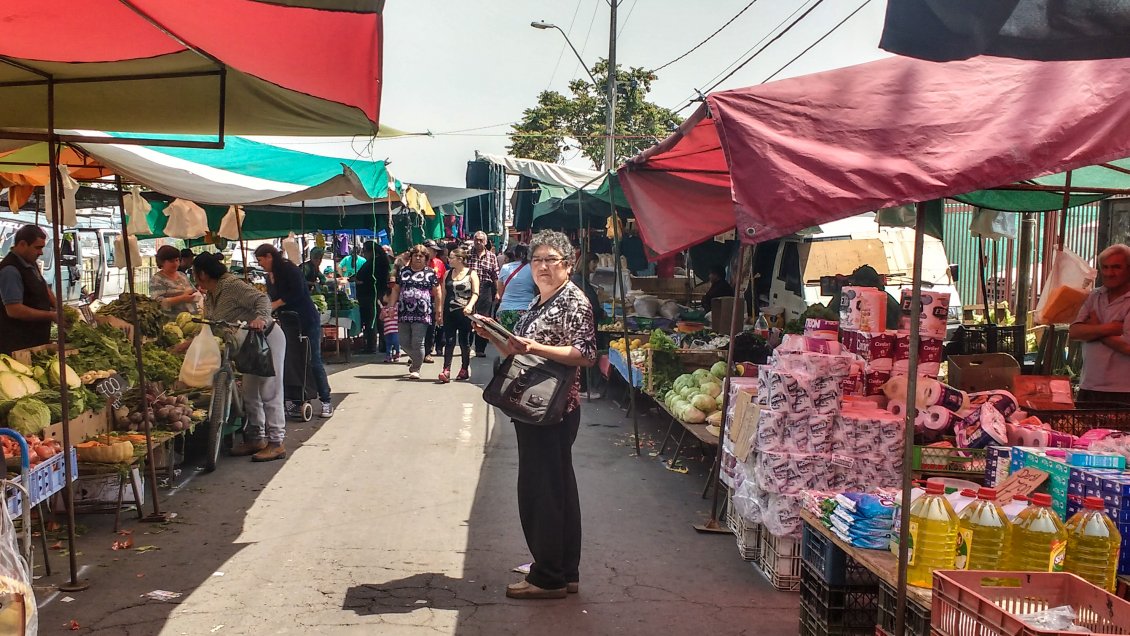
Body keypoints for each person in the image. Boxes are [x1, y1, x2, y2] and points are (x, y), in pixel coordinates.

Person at [473, 230, 596, 600]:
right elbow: (521, 350)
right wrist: (494, 336)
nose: (542, 266)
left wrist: (534, 345)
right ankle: (562, 569)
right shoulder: (543, 298)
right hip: (535, 407)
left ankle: (548, 577)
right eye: (536, 260)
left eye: (550, 260)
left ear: (568, 263)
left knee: (541, 491)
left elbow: (585, 353)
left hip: (552, 410)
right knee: (556, 490)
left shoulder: (574, 300)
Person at [193, 253, 288, 461]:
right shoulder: (210, 294)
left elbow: (261, 299)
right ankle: (257, 439)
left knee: (269, 391)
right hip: (246, 345)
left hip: (266, 339)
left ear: (202, 274)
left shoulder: (231, 285)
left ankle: (276, 443)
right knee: (250, 394)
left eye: (194, 273)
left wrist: (261, 319)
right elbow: (211, 323)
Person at [254, 245, 335, 419]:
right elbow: (271, 299)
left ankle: (326, 400)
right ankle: (297, 399)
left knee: (313, 360)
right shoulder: (269, 277)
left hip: (306, 318)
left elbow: (298, 292)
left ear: (269, 256)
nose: (260, 265)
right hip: (288, 321)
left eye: (261, 261)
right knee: (292, 361)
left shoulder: (289, 269)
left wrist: (277, 303)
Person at [1070, 244, 1130, 402]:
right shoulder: (1094, 296)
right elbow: (1075, 332)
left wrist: (1094, 328)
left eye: (1116, 267)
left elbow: (1127, 346)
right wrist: (1110, 328)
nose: (1110, 273)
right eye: (1105, 267)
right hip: (1089, 387)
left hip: (1124, 390)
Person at [0, 225, 56, 355]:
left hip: (35, 341)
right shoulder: (10, 270)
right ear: (22, 244)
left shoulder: (30, 262)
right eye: (38, 247)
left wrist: (58, 306)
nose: (41, 252)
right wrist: (51, 315)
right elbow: (14, 310)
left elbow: (43, 287)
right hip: (18, 345)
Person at [388, 245, 443, 379]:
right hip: (404, 312)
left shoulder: (430, 273)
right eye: (415, 255)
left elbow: (438, 292)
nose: (418, 258)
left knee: (418, 342)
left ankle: (416, 368)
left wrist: (439, 310)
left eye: (421, 256)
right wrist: (391, 307)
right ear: (411, 257)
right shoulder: (403, 272)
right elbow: (396, 289)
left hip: (422, 313)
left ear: (425, 259)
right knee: (404, 341)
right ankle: (417, 358)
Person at [439, 247, 479, 383]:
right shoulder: (447, 274)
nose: (448, 260)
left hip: (465, 313)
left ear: (460, 259)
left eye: (451, 257)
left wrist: (469, 306)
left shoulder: (471, 274)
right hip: (449, 312)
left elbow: (475, 293)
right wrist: (439, 311)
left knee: (464, 342)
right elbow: (444, 293)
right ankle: (446, 370)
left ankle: (464, 368)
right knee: (449, 341)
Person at [352, 241, 389, 355]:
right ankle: (383, 344)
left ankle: (371, 346)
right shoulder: (381, 261)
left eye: (365, 251)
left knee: (371, 321)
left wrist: (357, 281)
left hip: (370, 295)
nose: (363, 253)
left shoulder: (373, 263)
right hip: (377, 293)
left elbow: (366, 279)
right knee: (379, 320)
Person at [466, 231, 500, 356]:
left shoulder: (491, 256)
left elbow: (495, 275)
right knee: (468, 316)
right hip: (469, 289)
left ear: (485, 242)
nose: (478, 242)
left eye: (481, 240)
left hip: (486, 289)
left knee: (483, 319)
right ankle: (468, 346)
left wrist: (497, 292)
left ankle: (480, 348)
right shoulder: (468, 254)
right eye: (476, 239)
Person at [149, 245, 200, 316]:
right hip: (172, 321)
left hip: (192, 317)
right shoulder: (157, 279)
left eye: (177, 260)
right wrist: (181, 298)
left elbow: (193, 291)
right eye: (171, 261)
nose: (175, 263)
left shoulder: (182, 275)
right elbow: (157, 303)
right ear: (161, 262)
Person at [496, 244, 536, 333]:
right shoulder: (533, 268)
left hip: (505, 310)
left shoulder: (505, 268)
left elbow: (500, 292)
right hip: (526, 310)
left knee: (507, 342)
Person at [423, 239, 447, 360]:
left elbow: (442, 283)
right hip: (417, 300)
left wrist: (441, 301)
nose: (435, 253)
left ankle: (427, 352)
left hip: (433, 299)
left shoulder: (439, 263)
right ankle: (416, 353)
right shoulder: (416, 262)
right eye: (433, 250)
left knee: (431, 327)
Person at [380, 291, 400, 362]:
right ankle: (388, 355)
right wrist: (383, 313)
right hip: (387, 330)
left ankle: (397, 353)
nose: (384, 297)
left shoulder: (397, 306)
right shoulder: (384, 308)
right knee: (388, 343)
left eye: (385, 295)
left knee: (396, 342)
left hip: (395, 329)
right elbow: (381, 318)